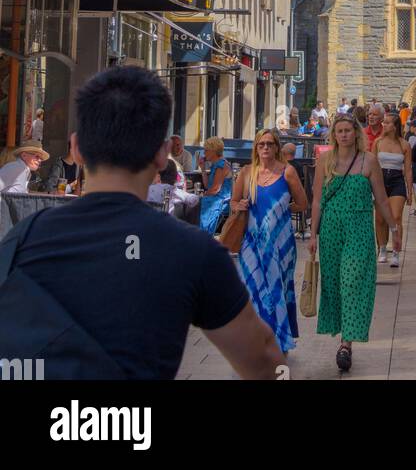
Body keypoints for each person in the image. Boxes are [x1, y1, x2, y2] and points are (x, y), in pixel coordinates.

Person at [0, 66, 284, 379]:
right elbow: (264, 359)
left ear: (77, 148)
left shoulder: (23, 238)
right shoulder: (193, 252)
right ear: (163, 156)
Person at [309, 113, 400, 374]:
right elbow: (317, 200)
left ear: (356, 133)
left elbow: (381, 199)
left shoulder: (369, 161)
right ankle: (342, 334)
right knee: (335, 284)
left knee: (352, 282)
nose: (344, 135)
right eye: (339, 131)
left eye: (348, 130)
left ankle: (346, 344)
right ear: (334, 134)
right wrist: (313, 234)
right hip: (331, 228)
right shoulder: (324, 161)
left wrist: (394, 228)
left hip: (359, 227)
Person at [232, 128, 308, 355]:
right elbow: (233, 202)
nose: (265, 148)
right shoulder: (246, 173)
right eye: (261, 144)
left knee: (277, 289)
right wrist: (239, 206)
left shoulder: (288, 172)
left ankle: (279, 339)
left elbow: (302, 204)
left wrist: (279, 211)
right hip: (252, 242)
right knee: (252, 288)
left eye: (269, 144)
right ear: (256, 148)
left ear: (277, 147)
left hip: (280, 242)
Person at [371, 110, 412, 268]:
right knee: (380, 219)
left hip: (397, 181)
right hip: (380, 180)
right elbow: (372, 164)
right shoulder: (378, 142)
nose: (384, 124)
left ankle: (395, 251)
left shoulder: (404, 144)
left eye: (387, 122)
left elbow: (408, 169)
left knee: (395, 217)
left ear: (394, 126)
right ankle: (382, 249)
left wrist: (409, 190)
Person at [199, 136, 233, 236]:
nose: (204, 153)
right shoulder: (215, 164)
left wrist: (203, 195)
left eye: (206, 150)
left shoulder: (221, 165)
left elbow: (215, 189)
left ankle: (202, 235)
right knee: (194, 203)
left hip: (220, 201)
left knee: (197, 204)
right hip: (214, 198)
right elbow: (207, 186)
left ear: (214, 151)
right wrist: (202, 168)